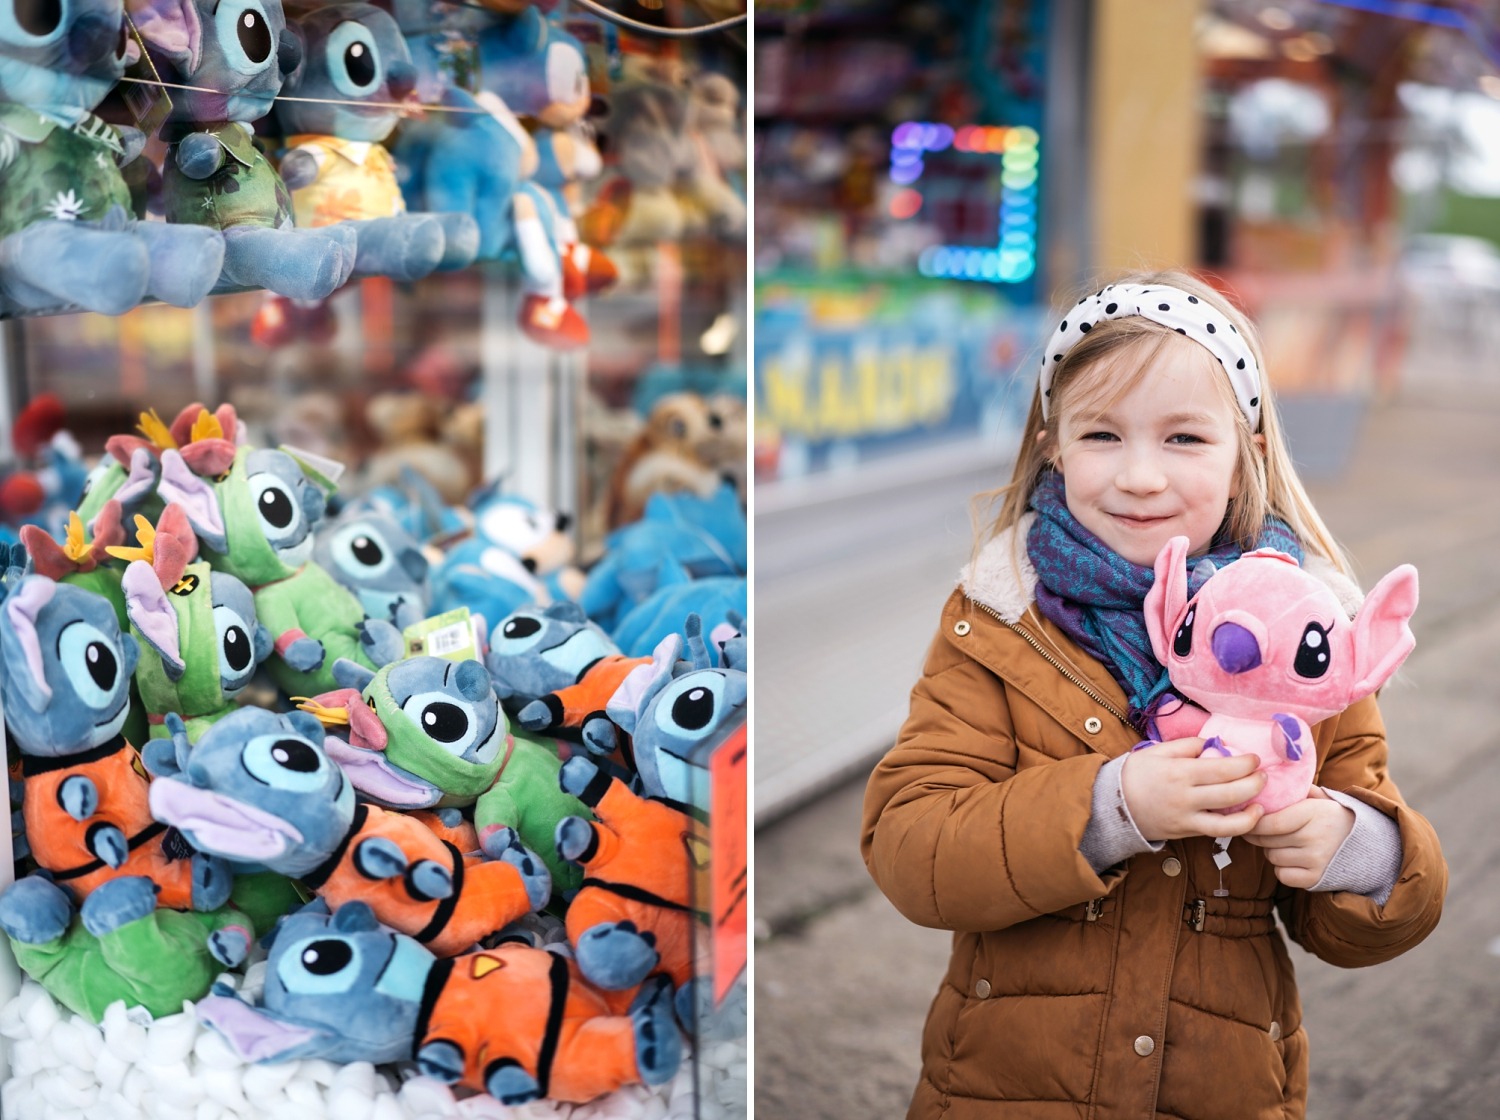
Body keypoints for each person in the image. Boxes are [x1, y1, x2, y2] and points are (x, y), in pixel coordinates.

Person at [860, 269, 1447, 1120]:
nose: (1139, 477)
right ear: (1054, 445)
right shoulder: (999, 618)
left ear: (1244, 451)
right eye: (1102, 435)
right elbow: (911, 846)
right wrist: (1110, 806)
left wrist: (1357, 852)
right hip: (1004, 1089)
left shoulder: (1313, 641)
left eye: (1183, 439)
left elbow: (1374, 920)